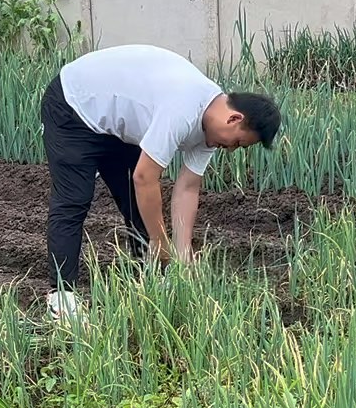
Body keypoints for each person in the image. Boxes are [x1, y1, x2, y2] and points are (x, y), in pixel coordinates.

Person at [39, 43, 281, 308]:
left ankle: (153, 278)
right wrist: (159, 239)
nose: (232, 150)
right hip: (74, 103)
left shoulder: (212, 132)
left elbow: (188, 187)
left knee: (138, 204)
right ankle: (61, 296)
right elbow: (145, 177)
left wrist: (183, 253)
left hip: (115, 119)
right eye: (237, 143)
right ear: (234, 119)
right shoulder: (183, 108)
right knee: (74, 199)